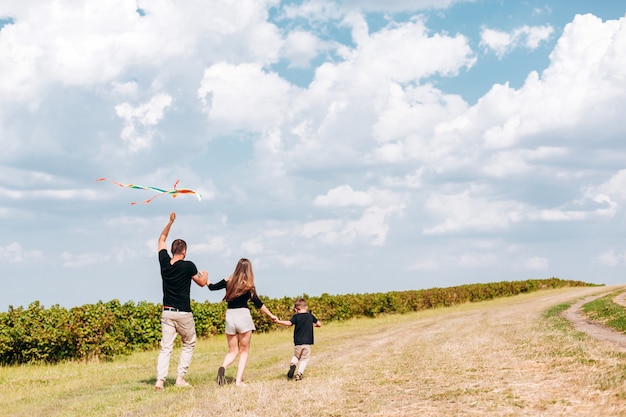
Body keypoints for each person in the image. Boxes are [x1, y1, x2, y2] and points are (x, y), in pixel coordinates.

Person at [154, 212, 208, 391]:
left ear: (171, 251)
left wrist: (170, 222)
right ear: (184, 251)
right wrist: (205, 275)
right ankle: (180, 378)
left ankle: (160, 381)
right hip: (183, 312)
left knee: (165, 348)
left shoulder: (163, 262)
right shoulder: (189, 265)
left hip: (167, 311)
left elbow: (161, 238)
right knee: (189, 343)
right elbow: (201, 283)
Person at [207, 258, 277, 387]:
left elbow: (212, 287)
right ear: (249, 269)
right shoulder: (249, 286)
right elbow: (258, 304)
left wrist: (205, 280)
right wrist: (271, 315)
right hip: (243, 316)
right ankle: (238, 381)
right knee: (243, 351)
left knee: (232, 351)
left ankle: (223, 366)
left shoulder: (228, 280)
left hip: (230, 316)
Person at [274, 297, 322, 381]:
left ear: (296, 309)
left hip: (298, 342)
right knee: (305, 359)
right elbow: (319, 324)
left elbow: (289, 323)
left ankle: (293, 364)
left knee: (296, 356)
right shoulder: (310, 316)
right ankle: (299, 374)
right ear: (306, 307)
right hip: (307, 342)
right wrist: (314, 325)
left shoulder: (296, 317)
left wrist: (278, 321)